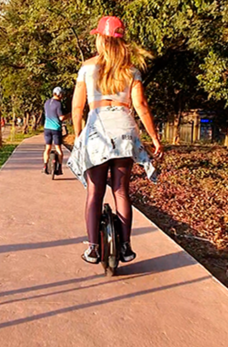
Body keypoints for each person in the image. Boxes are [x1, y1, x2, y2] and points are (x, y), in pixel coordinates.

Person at [68, 16, 162, 264]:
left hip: (96, 134)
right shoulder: (131, 70)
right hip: (124, 132)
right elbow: (140, 106)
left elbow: (77, 107)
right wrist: (154, 138)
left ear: (100, 38)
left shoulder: (87, 67)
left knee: (95, 192)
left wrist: (79, 137)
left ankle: (93, 249)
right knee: (121, 191)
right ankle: (126, 247)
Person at [43, 87, 70, 175]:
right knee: (58, 148)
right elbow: (61, 118)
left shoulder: (47, 102)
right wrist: (69, 115)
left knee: (47, 148)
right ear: (60, 95)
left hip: (47, 128)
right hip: (56, 129)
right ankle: (59, 168)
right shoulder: (58, 104)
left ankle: (45, 166)